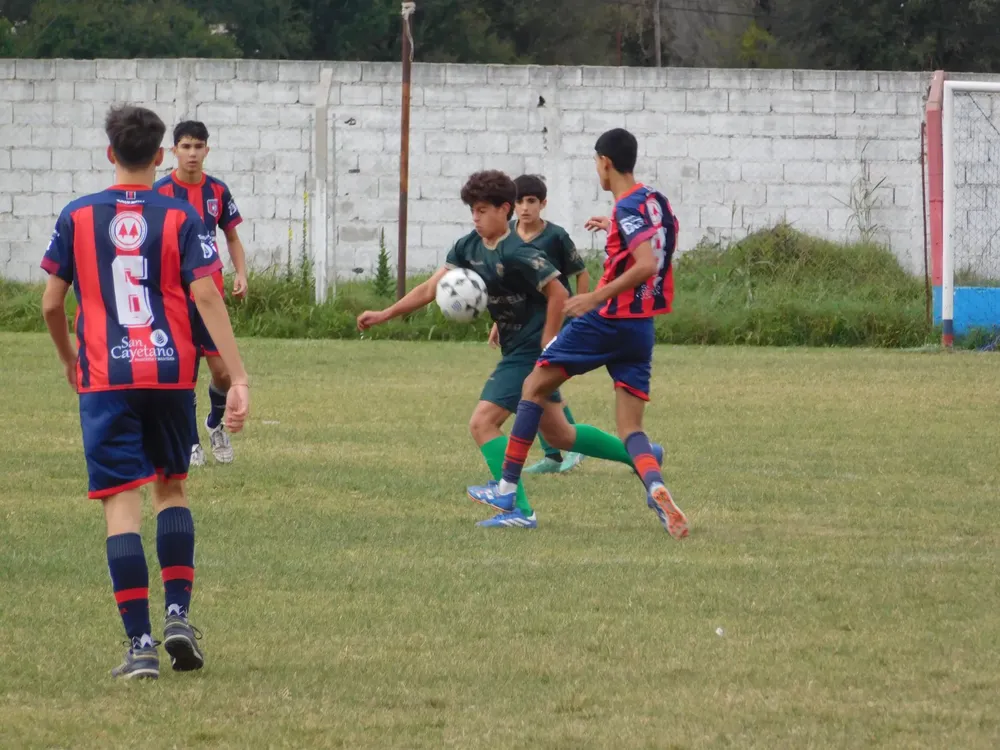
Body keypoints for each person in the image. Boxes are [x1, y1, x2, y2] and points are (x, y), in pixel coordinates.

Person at [40, 105, 251, 679]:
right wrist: (237, 377)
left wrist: (69, 361)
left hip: (107, 379)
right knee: (172, 489)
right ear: (160, 156)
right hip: (170, 374)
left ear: (111, 153)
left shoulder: (78, 215)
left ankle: (140, 646)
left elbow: (52, 303)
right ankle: (178, 615)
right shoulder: (180, 216)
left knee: (121, 504)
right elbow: (207, 296)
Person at [360, 170, 664, 529]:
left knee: (483, 423)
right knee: (560, 435)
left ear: (504, 209)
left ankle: (518, 510)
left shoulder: (519, 251)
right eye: (472, 210)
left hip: (529, 350)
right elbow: (430, 288)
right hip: (514, 347)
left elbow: (558, 291)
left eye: (483, 210)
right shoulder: (467, 247)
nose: (475, 218)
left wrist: (548, 341)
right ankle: (643, 455)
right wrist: (386, 313)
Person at [467, 129, 688, 539]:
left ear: (605, 161)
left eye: (595, 162)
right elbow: (661, 236)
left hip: (608, 320)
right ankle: (655, 485)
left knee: (533, 385)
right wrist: (615, 228)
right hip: (641, 328)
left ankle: (507, 490)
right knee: (631, 430)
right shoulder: (653, 200)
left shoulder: (627, 205)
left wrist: (594, 298)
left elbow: (646, 263)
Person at [154, 120, 248, 466]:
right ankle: (190, 440)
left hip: (210, 294)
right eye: (185, 146)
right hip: (174, 298)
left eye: (198, 146)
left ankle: (214, 424)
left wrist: (241, 273)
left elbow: (232, 237)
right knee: (184, 373)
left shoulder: (218, 191)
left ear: (207, 149)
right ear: (174, 151)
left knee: (222, 372)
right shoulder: (160, 192)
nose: (192, 153)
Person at [506, 174, 589, 475]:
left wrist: (580, 309)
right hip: (523, 323)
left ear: (543, 204)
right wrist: (501, 320)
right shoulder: (508, 236)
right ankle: (554, 455)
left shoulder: (556, 237)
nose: (524, 207)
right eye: (519, 201)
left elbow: (581, 272)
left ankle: (573, 446)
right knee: (535, 387)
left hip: (555, 320)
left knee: (540, 384)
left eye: (531, 201)